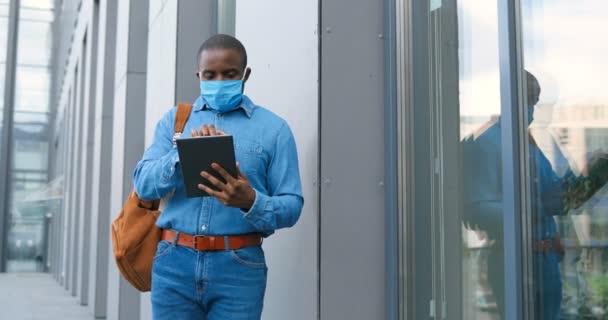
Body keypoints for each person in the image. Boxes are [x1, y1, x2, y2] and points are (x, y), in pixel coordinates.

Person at [133, 34, 304, 320]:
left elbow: (292, 205)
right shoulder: (175, 122)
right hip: (173, 260)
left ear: (245, 74)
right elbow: (143, 185)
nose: (220, 81)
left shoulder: (274, 130)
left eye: (230, 74)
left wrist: (251, 201)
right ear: (198, 75)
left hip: (239, 267)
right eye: (210, 75)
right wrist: (181, 154)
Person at [463, 71, 564, 319]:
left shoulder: (531, 143)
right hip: (515, 260)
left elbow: (553, 194)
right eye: (529, 99)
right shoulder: (488, 143)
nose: (533, 108)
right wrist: (530, 209)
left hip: (546, 262)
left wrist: (587, 179)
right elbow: (478, 208)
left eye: (535, 101)